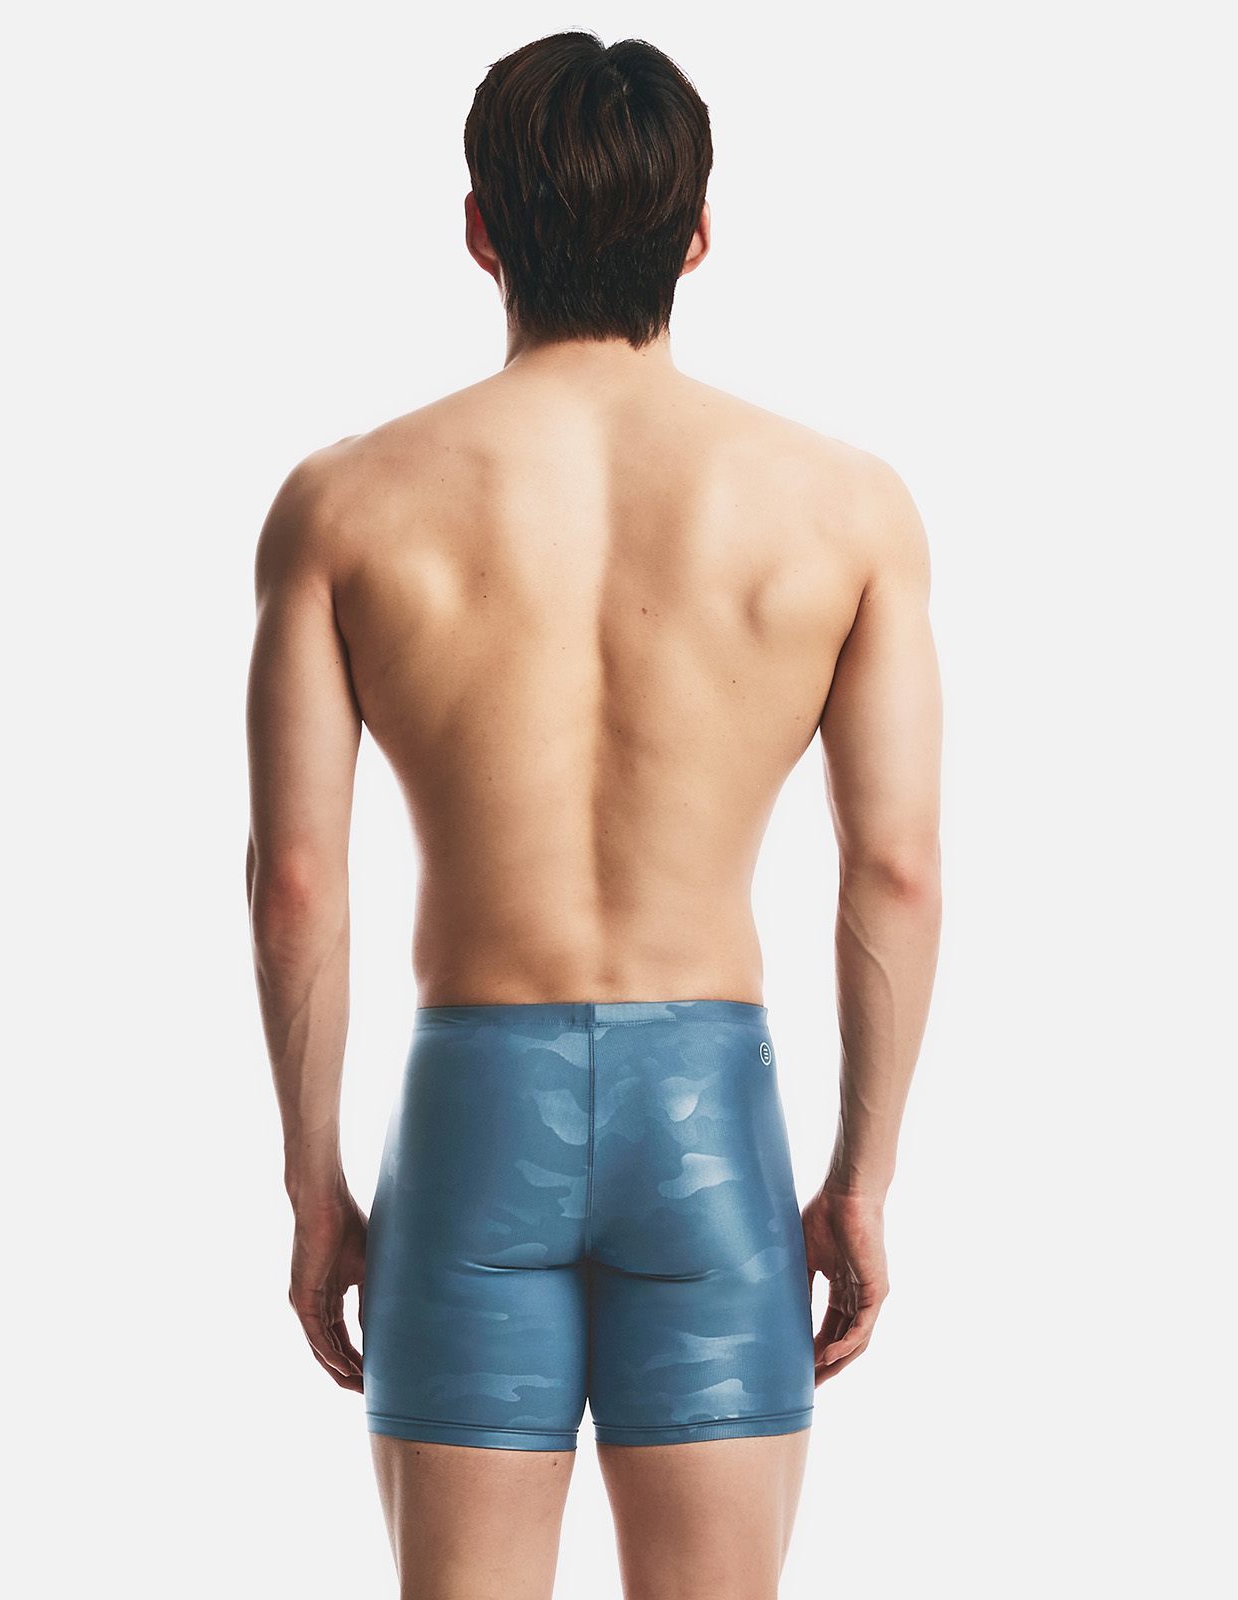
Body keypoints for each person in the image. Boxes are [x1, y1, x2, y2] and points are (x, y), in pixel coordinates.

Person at [246, 28, 942, 1600]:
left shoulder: (344, 504)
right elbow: (893, 868)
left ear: (479, 228)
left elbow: (297, 882)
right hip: (710, 1120)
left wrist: (312, 1187)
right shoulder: (846, 507)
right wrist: (863, 1181)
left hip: (472, 1110)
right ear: (698, 235)